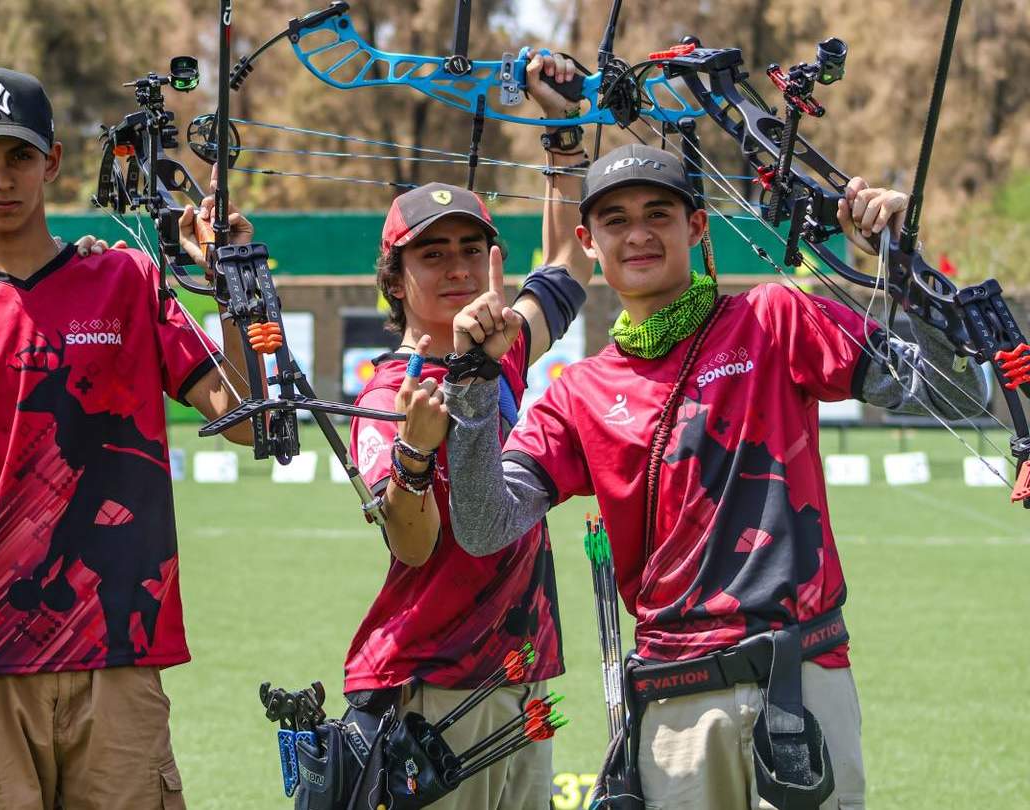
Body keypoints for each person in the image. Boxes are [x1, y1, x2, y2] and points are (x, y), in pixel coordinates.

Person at [437, 142, 989, 809]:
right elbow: (482, 526)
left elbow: (957, 395)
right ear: (586, 240)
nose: (638, 233)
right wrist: (470, 380)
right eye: (615, 220)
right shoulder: (576, 393)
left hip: (801, 683)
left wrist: (905, 266)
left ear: (697, 227)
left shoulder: (776, 319)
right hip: (674, 709)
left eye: (658, 213)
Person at [203, 52, 594, 807]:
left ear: (493, 262)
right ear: (395, 276)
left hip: (515, 678)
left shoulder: (501, 352)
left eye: (471, 250)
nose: (455, 267)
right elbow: (410, 543)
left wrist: (562, 136)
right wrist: (416, 450)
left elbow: (570, 265)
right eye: (432, 253)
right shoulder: (389, 394)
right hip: (433, 690)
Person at [0, 66, 253, 810]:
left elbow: (238, 413)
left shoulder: (129, 282)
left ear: (53, 161)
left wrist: (230, 280)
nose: (0, 179)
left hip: (117, 641)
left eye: (18, 157)